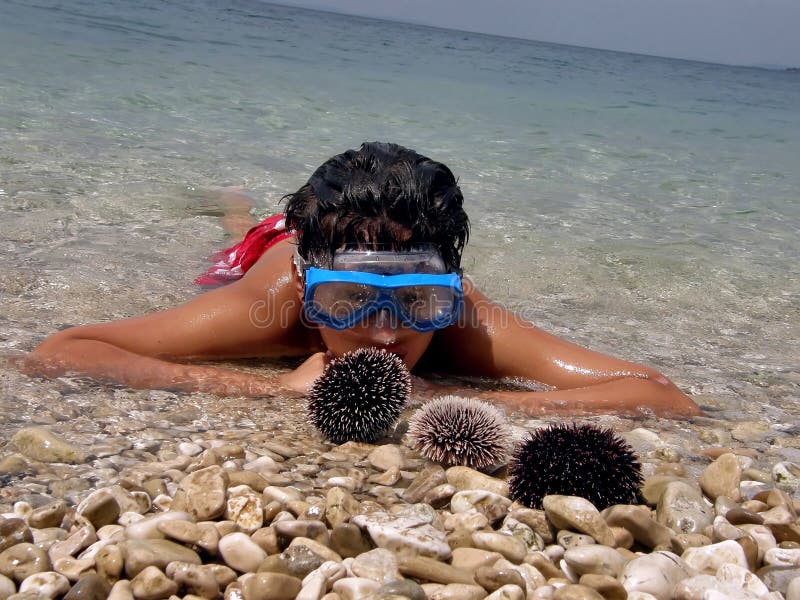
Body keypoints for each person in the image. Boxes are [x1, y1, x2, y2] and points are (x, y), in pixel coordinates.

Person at [27, 142, 702, 417]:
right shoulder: (272, 301)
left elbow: (661, 394)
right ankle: (237, 213)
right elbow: (63, 351)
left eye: (417, 302)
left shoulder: (462, 317)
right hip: (265, 254)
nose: (385, 333)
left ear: (452, 288)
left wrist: (463, 404)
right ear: (306, 285)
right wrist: (261, 388)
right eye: (347, 301)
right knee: (234, 246)